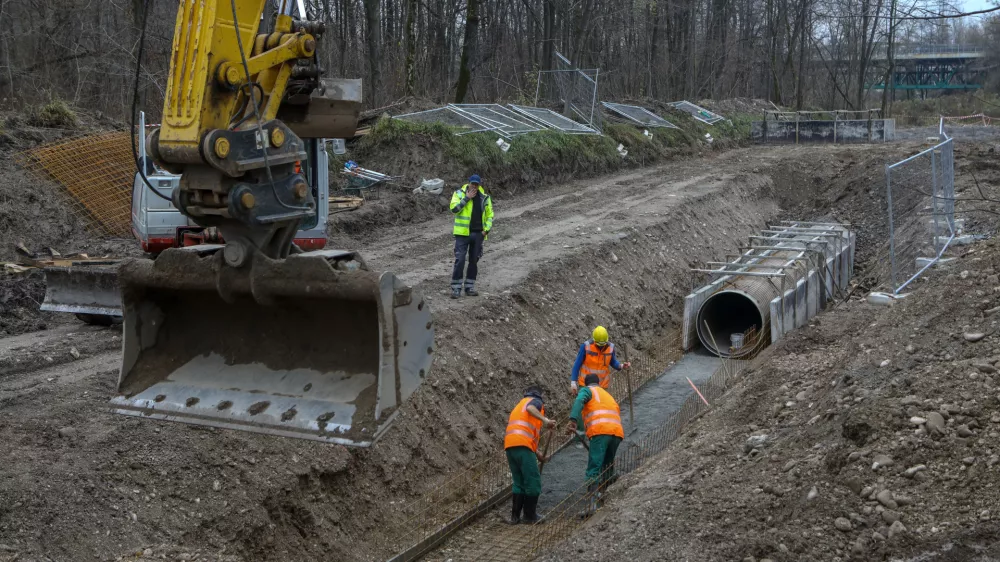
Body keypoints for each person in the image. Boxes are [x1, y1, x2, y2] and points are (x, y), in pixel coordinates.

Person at [568, 373, 625, 514]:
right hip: (617, 433)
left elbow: (579, 401)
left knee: (594, 467)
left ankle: (591, 505)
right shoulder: (607, 395)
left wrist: (573, 420)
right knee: (607, 466)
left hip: (600, 432)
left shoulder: (587, 390)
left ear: (586, 384)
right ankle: (607, 496)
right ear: (598, 383)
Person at [504, 385, 555, 524]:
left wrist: (538, 454)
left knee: (518, 482)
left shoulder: (519, 405)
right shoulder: (535, 402)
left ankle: (514, 517)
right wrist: (546, 421)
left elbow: (523, 432)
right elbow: (531, 409)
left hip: (510, 446)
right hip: (522, 446)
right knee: (533, 482)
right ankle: (529, 516)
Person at [449, 174, 494, 299]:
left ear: (479, 185)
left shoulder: (484, 197)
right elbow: (454, 209)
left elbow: (490, 215)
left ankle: (469, 287)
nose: (474, 186)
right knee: (460, 260)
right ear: (468, 183)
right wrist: (466, 198)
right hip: (462, 234)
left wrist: (486, 230)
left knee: (474, 261)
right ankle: (456, 288)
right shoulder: (459, 194)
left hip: (478, 234)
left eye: (476, 184)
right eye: (472, 183)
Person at [570, 326, 631, 394]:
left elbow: (613, 362)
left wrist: (621, 366)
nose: (601, 346)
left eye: (603, 344)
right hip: (586, 385)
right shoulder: (586, 347)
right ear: (594, 339)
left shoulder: (610, 348)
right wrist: (573, 382)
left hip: (602, 386)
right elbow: (577, 364)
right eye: (599, 344)